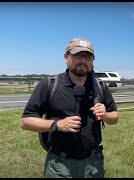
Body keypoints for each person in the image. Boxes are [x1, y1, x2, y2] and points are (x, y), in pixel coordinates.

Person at [20, 38, 119, 178]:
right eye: (78, 55)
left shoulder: (100, 87)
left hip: (93, 163)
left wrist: (105, 115)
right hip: (59, 165)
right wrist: (57, 125)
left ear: (92, 61)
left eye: (88, 56)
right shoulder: (49, 85)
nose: (83, 60)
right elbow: (26, 121)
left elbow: (114, 117)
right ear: (66, 57)